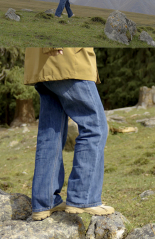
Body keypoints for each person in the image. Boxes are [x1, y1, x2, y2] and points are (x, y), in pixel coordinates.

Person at [24, 47, 114, 221]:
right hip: (66, 59)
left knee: (51, 133)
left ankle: (46, 201)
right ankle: (83, 197)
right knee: (95, 127)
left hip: (44, 63)